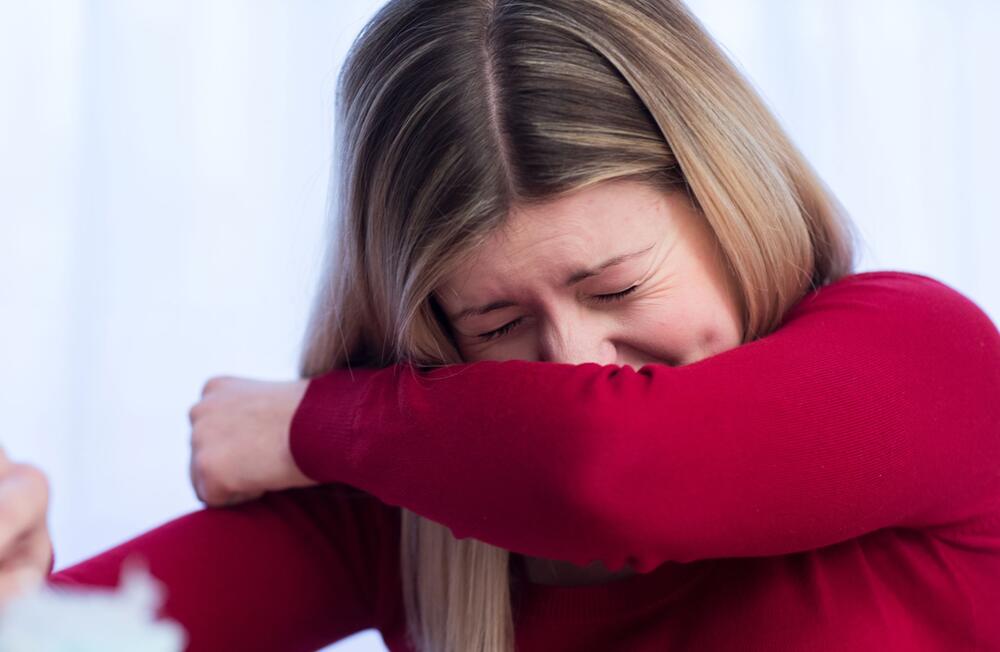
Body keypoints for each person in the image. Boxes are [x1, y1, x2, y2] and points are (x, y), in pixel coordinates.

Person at [0, 0, 993, 650]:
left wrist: (309, 424)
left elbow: (604, 466)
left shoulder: (919, 356)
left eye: (612, 288)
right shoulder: (409, 503)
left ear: (731, 203)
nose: (570, 360)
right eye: (497, 319)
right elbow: (79, 635)